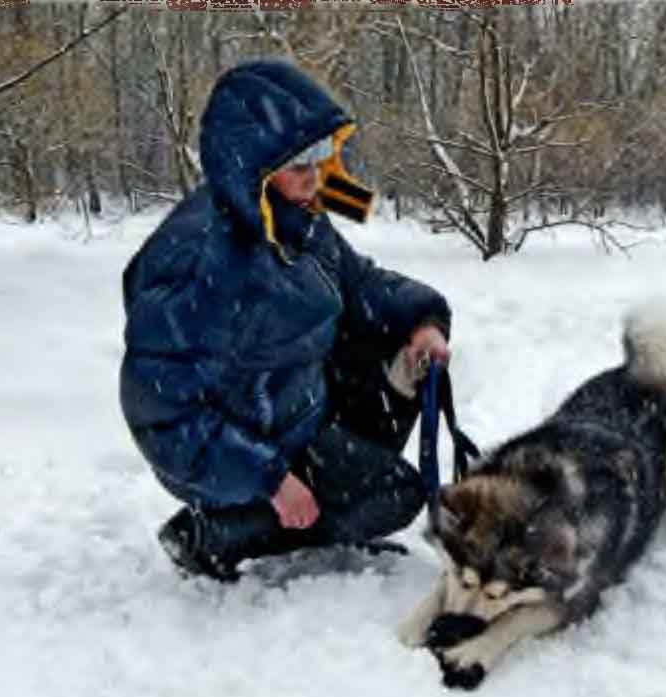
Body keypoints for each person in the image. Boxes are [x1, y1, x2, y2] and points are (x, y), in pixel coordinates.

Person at [119, 59, 451, 582]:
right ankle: (215, 533)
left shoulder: (296, 217)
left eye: (322, 157)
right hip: (244, 446)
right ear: (253, 165)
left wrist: (423, 320)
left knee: (394, 354)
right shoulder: (197, 259)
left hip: (295, 406)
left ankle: (333, 491)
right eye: (300, 163)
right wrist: (269, 477)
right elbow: (164, 412)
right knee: (395, 495)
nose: (317, 176)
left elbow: (362, 286)